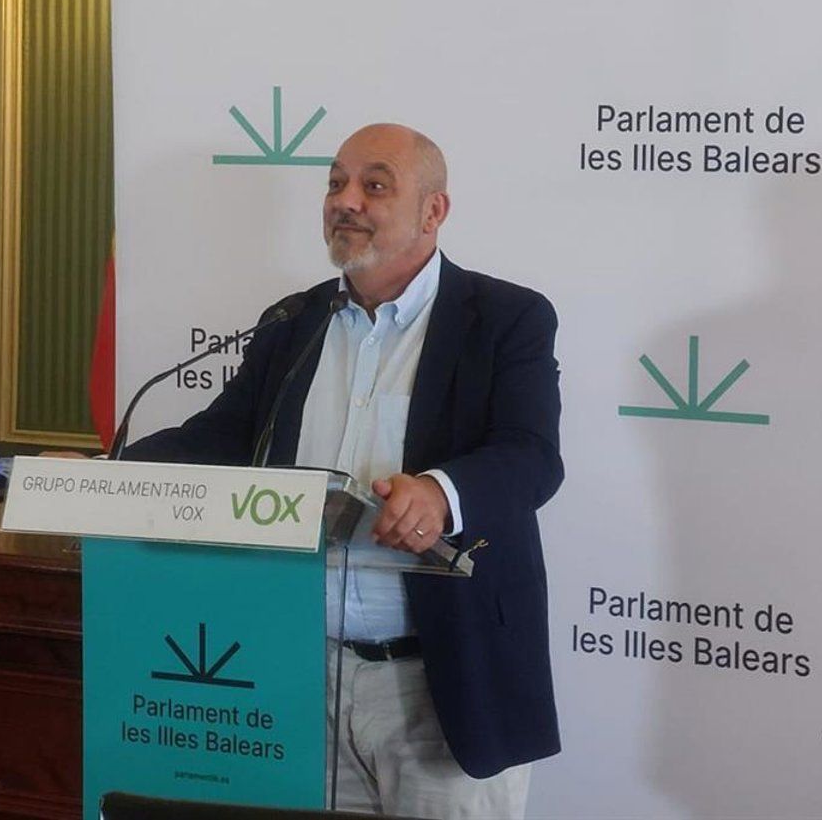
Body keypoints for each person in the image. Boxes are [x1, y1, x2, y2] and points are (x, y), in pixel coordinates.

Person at [127, 123, 562, 819]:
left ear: (433, 210)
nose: (345, 200)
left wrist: (439, 493)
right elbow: (219, 438)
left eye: (374, 185)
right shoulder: (292, 322)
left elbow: (530, 454)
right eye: (335, 183)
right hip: (298, 677)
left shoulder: (505, 318)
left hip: (443, 682)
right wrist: (103, 474)